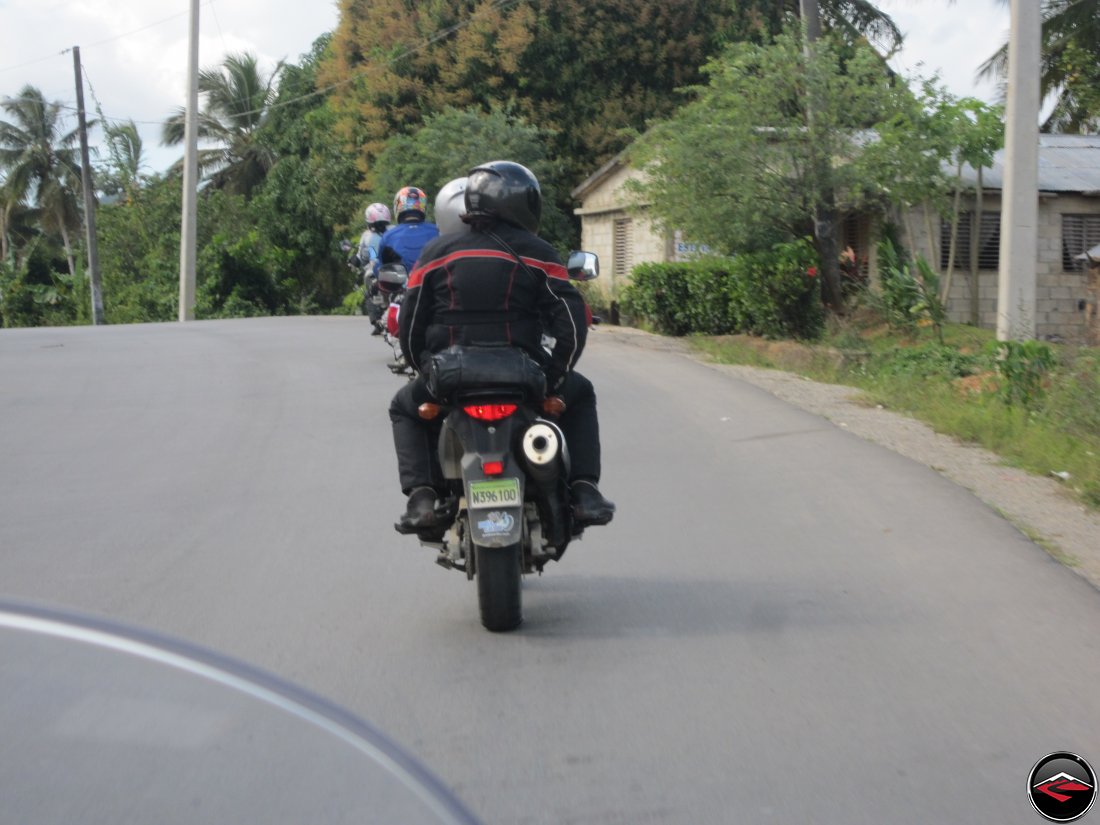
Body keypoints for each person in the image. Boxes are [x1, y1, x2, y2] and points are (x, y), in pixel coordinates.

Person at [389, 161, 615, 533]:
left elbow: (410, 327)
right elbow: (572, 322)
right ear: (520, 203)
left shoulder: (437, 253)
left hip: (449, 377)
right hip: (524, 375)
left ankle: (423, 498)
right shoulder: (539, 252)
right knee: (582, 393)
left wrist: (425, 370)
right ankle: (585, 490)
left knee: (404, 406)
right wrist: (556, 377)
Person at [377, 186, 439, 274]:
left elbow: (380, 269)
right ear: (423, 205)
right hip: (434, 283)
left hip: (404, 285)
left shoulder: (388, 236)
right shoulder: (437, 230)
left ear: (398, 206)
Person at [356, 203, 390, 332]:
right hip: (397, 268)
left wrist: (357, 259)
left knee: (370, 290)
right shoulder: (394, 231)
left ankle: (377, 321)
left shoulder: (367, 236)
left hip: (378, 270)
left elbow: (370, 257)